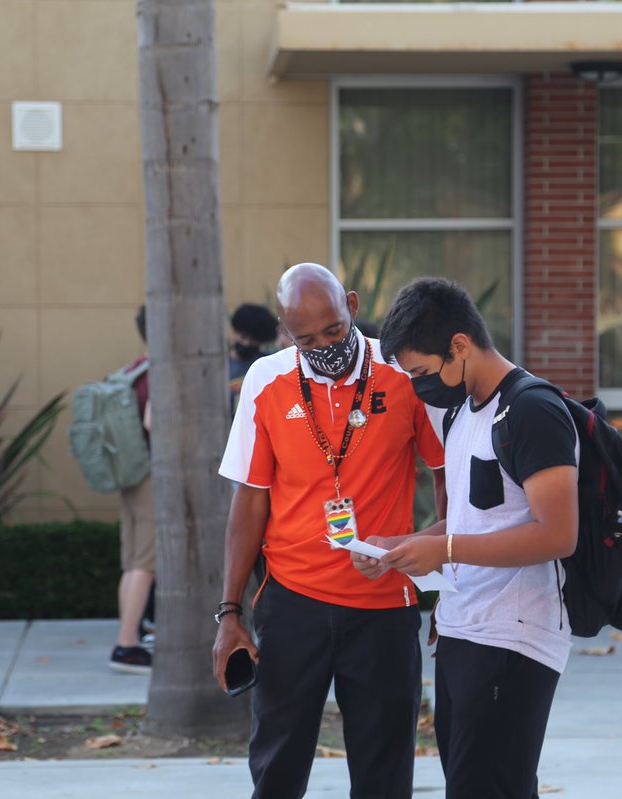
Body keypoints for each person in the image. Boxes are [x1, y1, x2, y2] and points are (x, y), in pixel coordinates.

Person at [213, 262, 446, 799]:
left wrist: (444, 580)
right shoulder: (265, 379)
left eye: (335, 330)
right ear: (283, 330)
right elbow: (249, 500)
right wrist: (229, 612)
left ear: (354, 308)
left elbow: (444, 479)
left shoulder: (401, 371)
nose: (324, 345)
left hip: (385, 604)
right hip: (293, 604)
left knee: (384, 776)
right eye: (306, 337)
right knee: (276, 770)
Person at [355, 277, 579, 799]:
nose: (418, 388)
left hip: (514, 638)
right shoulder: (461, 411)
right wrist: (402, 544)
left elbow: (558, 533)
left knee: (492, 786)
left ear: (460, 345)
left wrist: (446, 550)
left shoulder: (532, 410)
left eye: (421, 373)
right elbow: (472, 523)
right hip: (464, 630)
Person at [109, 305, 157, 675]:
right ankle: (126, 645)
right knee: (146, 561)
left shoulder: (132, 369)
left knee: (132, 561)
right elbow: (152, 421)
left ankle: (131, 636)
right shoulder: (159, 371)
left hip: (130, 473)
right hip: (152, 474)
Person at [229, 303, 280, 415]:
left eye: (253, 340)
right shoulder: (221, 367)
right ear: (234, 332)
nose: (247, 343)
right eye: (243, 337)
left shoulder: (268, 364)